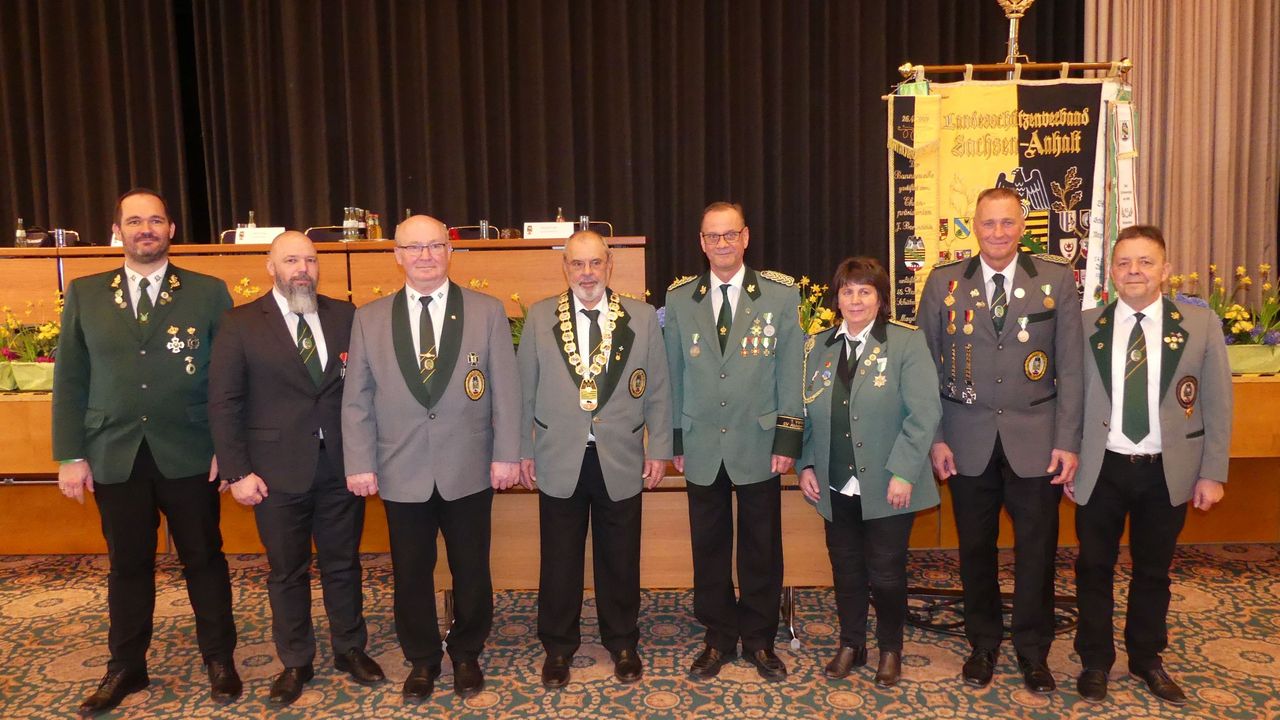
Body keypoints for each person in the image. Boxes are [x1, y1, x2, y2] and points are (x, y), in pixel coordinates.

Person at [52, 188, 241, 715]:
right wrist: (70, 453)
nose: (146, 229)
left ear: (172, 229)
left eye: (156, 220)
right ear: (119, 231)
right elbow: (71, 378)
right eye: (134, 221)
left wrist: (229, 447)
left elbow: (228, 379)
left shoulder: (207, 292)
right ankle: (127, 666)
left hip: (190, 449)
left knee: (203, 558)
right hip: (115, 451)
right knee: (127, 564)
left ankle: (219, 658)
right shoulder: (86, 294)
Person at [341, 214, 521, 701]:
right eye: (414, 247)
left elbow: (506, 390)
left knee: (471, 568)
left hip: (469, 467)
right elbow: (357, 398)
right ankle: (422, 659)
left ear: (449, 251)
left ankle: (466, 652)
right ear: (397, 254)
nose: (425, 256)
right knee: (411, 571)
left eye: (434, 245)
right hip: (401, 470)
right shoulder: (371, 317)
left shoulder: (486, 311)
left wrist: (507, 454)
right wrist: (359, 461)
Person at [916, 186, 1084, 693]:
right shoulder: (945, 283)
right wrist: (935, 439)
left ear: (1022, 226)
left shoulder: (1054, 280)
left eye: (1007, 223)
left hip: (1036, 442)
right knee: (975, 550)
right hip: (965, 441)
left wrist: (1068, 441)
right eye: (988, 223)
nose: (998, 233)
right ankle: (983, 644)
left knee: (1037, 552)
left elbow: (1072, 370)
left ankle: (1034, 652)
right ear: (974, 226)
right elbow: (924, 369)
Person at [208, 231, 383, 706]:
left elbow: (366, 389)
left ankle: (350, 649)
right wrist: (238, 471)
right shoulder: (240, 323)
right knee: (287, 570)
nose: (302, 268)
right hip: (273, 473)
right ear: (271, 267)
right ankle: (296, 660)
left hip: (341, 467)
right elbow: (224, 402)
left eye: (309, 259)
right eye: (290, 260)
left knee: (344, 564)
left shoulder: (347, 317)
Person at [1068, 225, 1230, 705]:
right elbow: (1070, 401)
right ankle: (1095, 660)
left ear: (1165, 269)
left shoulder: (1201, 326)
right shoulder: (1086, 324)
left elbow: (1219, 404)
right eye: (1124, 263)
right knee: (1092, 567)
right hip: (1102, 468)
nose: (1134, 271)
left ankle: (1146, 659)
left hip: (1167, 470)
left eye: (1145, 262)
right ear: (1112, 272)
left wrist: (1213, 472)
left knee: (1153, 570)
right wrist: (1068, 457)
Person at [517, 231, 673, 687]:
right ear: (565, 268)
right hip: (557, 455)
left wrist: (659, 448)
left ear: (609, 266)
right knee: (560, 559)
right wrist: (523, 450)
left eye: (595, 263)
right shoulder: (541, 316)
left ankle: (622, 641)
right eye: (577, 264)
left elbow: (659, 389)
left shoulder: (641, 319)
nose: (587, 273)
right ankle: (558, 647)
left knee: (620, 558)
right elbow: (524, 390)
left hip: (620, 455)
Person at [662, 201, 804, 681]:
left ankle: (760, 639)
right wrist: (675, 437)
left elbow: (790, 371)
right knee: (709, 545)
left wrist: (787, 437)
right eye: (712, 236)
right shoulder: (681, 299)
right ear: (701, 243)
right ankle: (719, 636)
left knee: (762, 544)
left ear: (746, 237)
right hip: (701, 442)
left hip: (760, 442)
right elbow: (674, 374)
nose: (721, 244)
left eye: (729, 235)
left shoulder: (781, 297)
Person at [797, 257, 941, 687]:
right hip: (835, 480)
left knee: (886, 572)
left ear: (880, 299)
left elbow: (924, 413)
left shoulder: (905, 343)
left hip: (889, 482)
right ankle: (851, 643)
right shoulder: (817, 346)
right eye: (847, 291)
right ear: (836, 298)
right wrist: (806, 462)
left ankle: (890, 648)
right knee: (845, 569)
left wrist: (904, 472)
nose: (855, 300)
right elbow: (806, 412)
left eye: (865, 291)